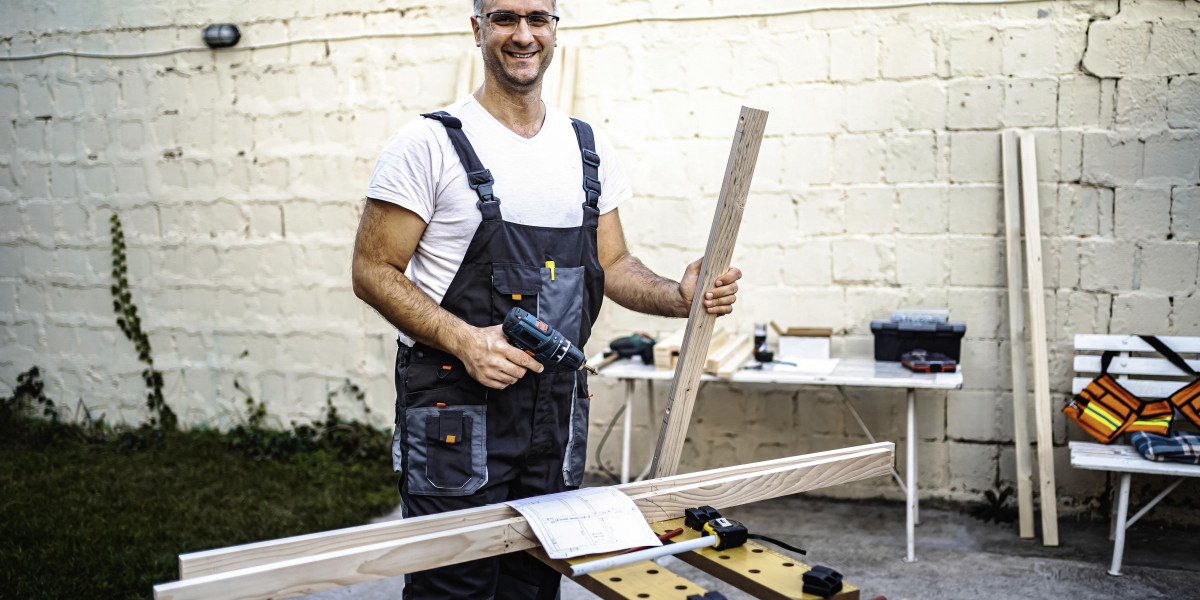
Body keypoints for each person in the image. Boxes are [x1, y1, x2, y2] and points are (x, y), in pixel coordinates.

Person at [351, 1, 741, 597]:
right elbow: (372, 269)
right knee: (452, 587)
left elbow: (612, 264)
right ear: (477, 28)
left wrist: (679, 295)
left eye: (538, 17)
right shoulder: (426, 144)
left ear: (555, 30)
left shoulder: (586, 147)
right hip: (455, 406)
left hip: (553, 411)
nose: (523, 34)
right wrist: (465, 339)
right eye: (505, 17)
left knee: (536, 582)